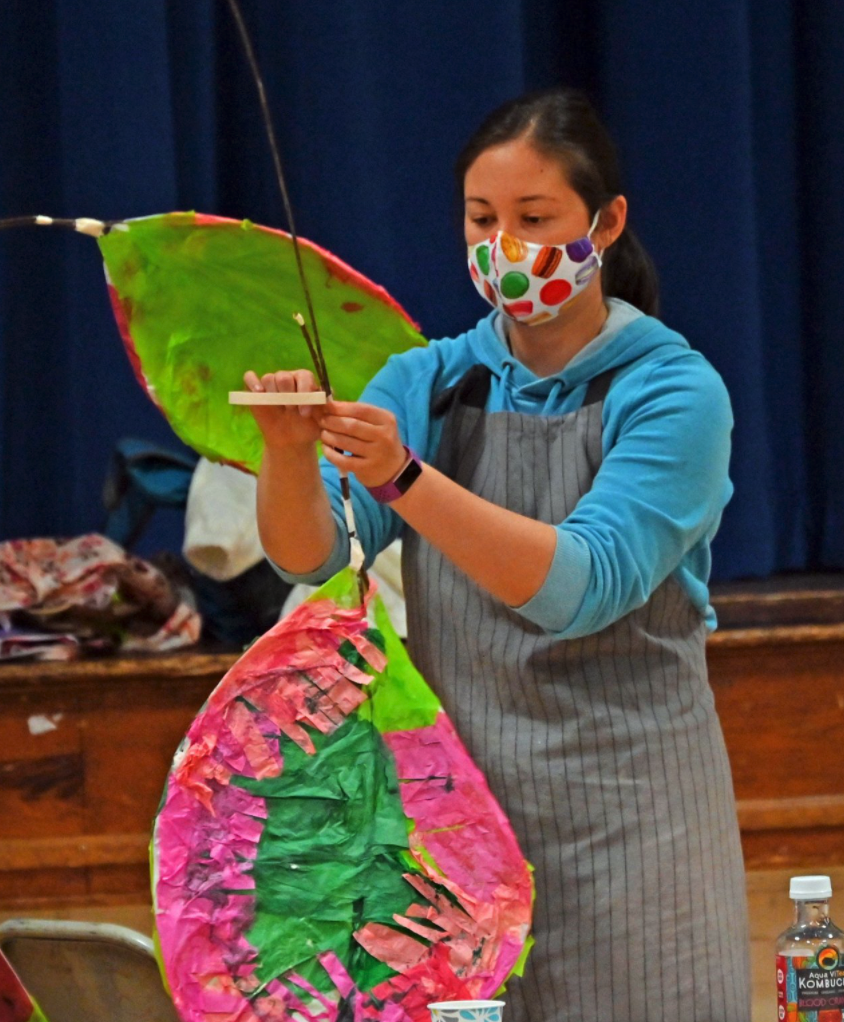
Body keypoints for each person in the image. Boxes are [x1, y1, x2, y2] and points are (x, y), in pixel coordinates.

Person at [243, 88, 750, 1022]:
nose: (503, 245)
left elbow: (580, 587)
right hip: (461, 829)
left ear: (607, 221)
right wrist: (284, 454)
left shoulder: (675, 390)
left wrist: (407, 479)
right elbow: (312, 555)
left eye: (534, 218)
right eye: (483, 220)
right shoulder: (429, 378)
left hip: (636, 823)